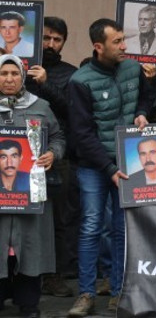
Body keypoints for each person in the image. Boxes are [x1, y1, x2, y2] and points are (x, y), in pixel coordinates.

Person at [68, 18, 150, 317]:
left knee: (121, 229)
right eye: (117, 42)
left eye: (124, 39)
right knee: (91, 226)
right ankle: (86, 294)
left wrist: (142, 112)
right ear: (98, 46)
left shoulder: (133, 69)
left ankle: (118, 292)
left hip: (128, 161)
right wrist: (108, 168)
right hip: (93, 166)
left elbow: (146, 97)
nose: (124, 46)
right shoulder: (80, 81)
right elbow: (81, 133)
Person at [0, 54, 65, 318]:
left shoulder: (41, 106)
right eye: (3, 74)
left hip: (30, 192)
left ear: (23, 77)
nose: (9, 79)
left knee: (30, 247)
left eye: (14, 73)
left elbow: (58, 136)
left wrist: (52, 153)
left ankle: (28, 303)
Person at [24, 16, 79, 298]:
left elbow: (72, 110)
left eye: (57, 40)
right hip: (17, 156)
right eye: (46, 38)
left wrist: (45, 84)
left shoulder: (71, 74)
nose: (51, 44)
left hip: (58, 155)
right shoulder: (18, 67)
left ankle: (55, 276)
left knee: (60, 218)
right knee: (19, 214)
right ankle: (18, 277)